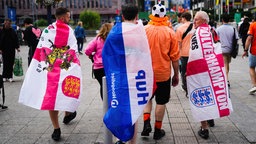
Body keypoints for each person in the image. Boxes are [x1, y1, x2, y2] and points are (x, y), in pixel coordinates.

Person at [19, 7, 82, 141]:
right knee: (63, 92)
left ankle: (57, 126)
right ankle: (67, 114)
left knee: (54, 96)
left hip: (51, 68)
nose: (69, 19)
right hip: (62, 68)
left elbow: (41, 49)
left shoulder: (47, 30)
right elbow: (73, 51)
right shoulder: (68, 31)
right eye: (68, 16)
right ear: (63, 17)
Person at [102, 4, 154, 144]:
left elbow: (107, 54)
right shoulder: (140, 32)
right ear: (137, 16)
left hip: (119, 77)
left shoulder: (115, 32)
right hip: (137, 77)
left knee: (121, 107)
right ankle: (131, 142)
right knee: (134, 110)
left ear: (122, 16)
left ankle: (120, 138)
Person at [187, 11, 232, 140]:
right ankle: (211, 117)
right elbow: (218, 48)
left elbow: (194, 53)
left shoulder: (196, 33)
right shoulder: (212, 31)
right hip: (213, 68)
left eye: (196, 19)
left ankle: (204, 128)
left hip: (199, 70)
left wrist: (189, 69)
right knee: (212, 91)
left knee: (202, 94)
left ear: (204, 21)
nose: (194, 22)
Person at [141, 3, 179, 140]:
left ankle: (146, 123)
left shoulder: (144, 30)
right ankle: (157, 130)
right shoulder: (170, 32)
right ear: (165, 15)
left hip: (146, 73)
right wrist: (176, 75)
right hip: (163, 73)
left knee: (147, 98)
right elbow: (175, 57)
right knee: (161, 102)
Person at [85, 23, 112, 100]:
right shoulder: (112, 40)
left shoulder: (97, 39)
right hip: (110, 67)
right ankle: (111, 103)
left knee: (103, 86)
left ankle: (105, 105)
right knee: (110, 86)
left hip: (98, 68)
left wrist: (92, 56)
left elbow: (87, 50)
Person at [216, 13, 239, 88]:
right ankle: (226, 79)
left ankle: (225, 79)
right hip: (230, 50)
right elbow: (236, 39)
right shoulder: (233, 29)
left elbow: (215, 39)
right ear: (229, 20)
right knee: (226, 64)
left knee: (224, 64)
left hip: (221, 49)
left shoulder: (218, 29)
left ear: (222, 20)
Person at [175, 12, 192, 97]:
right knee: (193, 71)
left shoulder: (180, 28)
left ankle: (186, 88)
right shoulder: (195, 27)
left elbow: (179, 43)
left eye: (181, 18)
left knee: (184, 71)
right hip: (194, 53)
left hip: (184, 54)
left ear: (184, 18)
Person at [242, 17, 256, 94]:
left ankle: (254, 85)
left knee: (252, 67)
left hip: (254, 51)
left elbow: (249, 38)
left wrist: (245, 50)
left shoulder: (253, 25)